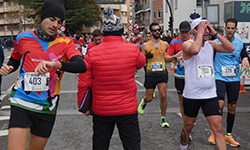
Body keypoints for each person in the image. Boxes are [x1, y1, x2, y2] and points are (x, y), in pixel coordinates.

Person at [0, 0, 87, 149]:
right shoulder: (23, 38)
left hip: (47, 106)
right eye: (52, 19)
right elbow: (15, 61)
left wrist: (56, 64)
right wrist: (7, 68)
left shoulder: (66, 43)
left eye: (59, 22)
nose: (55, 25)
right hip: (21, 100)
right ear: (42, 18)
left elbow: (81, 66)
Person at [77, 6, 145, 150]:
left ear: (104, 33)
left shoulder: (92, 53)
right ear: (121, 31)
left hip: (102, 109)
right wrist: (126, 43)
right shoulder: (132, 49)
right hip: (127, 108)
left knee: (100, 145)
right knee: (132, 145)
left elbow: (84, 81)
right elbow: (141, 63)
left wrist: (83, 106)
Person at [179, 18, 234, 150]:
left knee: (218, 129)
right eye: (203, 28)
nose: (206, 31)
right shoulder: (187, 44)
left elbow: (230, 48)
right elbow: (195, 50)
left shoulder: (211, 44)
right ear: (194, 31)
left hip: (210, 95)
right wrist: (199, 34)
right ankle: (183, 147)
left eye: (207, 28)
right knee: (188, 127)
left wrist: (215, 33)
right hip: (192, 96)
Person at [208, 18, 249, 147]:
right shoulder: (215, 43)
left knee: (232, 107)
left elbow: (244, 55)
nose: (230, 30)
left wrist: (246, 59)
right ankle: (215, 132)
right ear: (224, 28)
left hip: (234, 80)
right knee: (219, 105)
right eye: (228, 28)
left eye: (232, 28)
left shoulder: (240, 43)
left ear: (236, 29)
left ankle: (228, 135)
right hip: (219, 78)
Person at [138, 22, 170, 127]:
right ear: (151, 32)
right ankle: (144, 101)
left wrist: (175, 57)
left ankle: (163, 118)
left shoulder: (165, 44)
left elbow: (168, 57)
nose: (157, 32)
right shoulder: (146, 45)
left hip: (162, 73)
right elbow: (141, 61)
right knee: (150, 98)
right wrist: (147, 56)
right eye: (155, 30)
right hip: (150, 74)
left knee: (163, 95)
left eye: (158, 30)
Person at [165, 21, 191, 121]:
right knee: (181, 100)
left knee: (192, 100)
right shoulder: (174, 42)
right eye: (182, 32)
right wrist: (175, 56)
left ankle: (190, 120)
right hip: (179, 75)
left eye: (186, 32)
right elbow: (166, 57)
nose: (184, 35)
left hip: (192, 76)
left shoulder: (194, 40)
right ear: (179, 32)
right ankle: (185, 122)